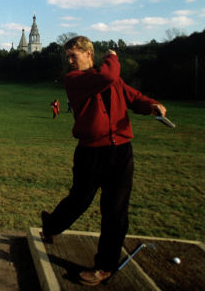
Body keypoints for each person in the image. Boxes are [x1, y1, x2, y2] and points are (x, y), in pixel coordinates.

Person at [41, 36, 166, 286]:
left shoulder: (112, 78)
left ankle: (104, 267)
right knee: (80, 199)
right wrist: (113, 55)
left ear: (89, 54)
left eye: (73, 56)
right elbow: (108, 76)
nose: (69, 61)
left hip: (121, 153)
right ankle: (52, 224)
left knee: (116, 211)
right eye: (67, 57)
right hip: (91, 152)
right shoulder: (74, 79)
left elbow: (133, 97)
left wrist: (151, 105)